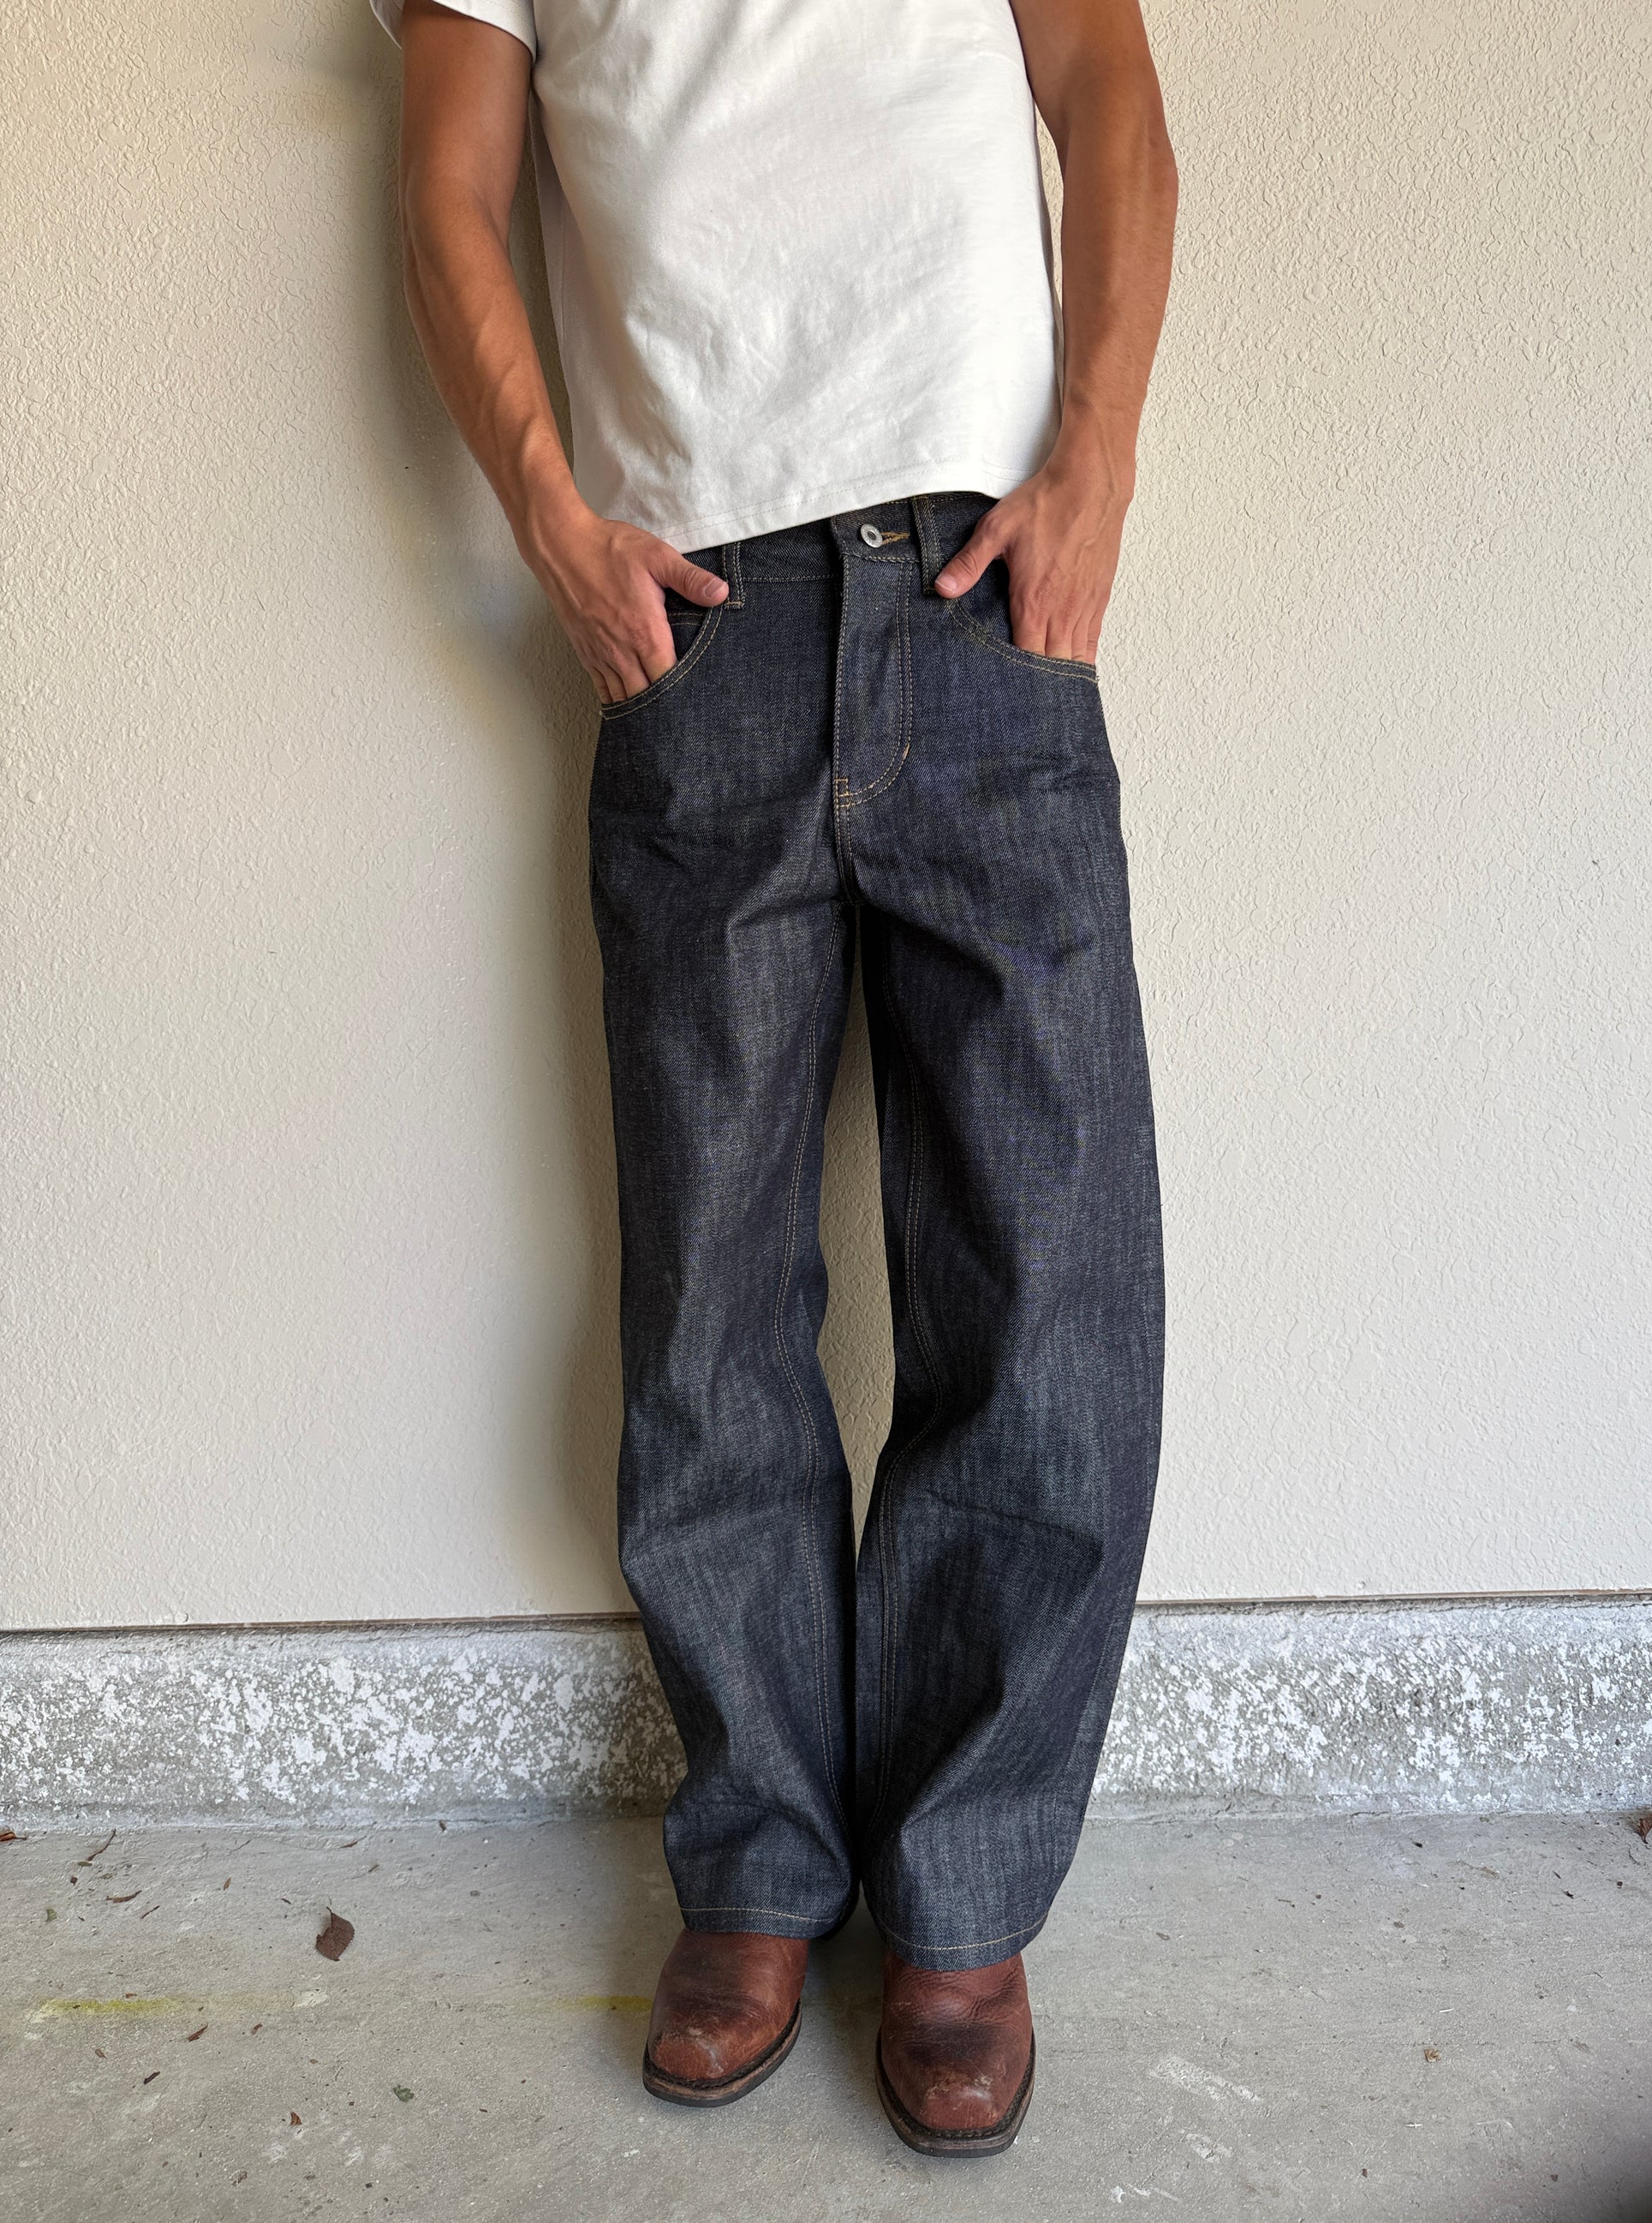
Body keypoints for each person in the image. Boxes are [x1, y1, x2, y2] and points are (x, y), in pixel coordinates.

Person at [373, 0, 1176, 2156]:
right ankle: (756, 1862)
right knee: (709, 1294)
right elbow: (446, 184)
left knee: (1046, 1271)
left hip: (981, 586)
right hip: (697, 610)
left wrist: (1097, 458)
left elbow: (1107, 91)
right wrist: (551, 520)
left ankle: (964, 1895)